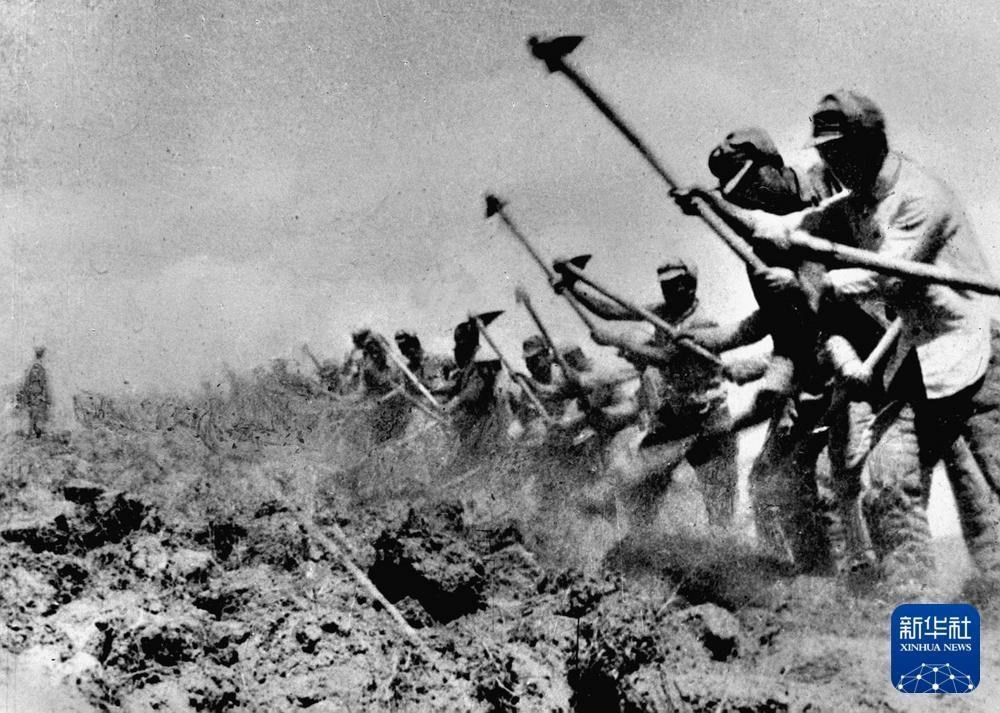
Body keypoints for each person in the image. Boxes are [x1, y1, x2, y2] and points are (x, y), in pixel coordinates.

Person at [753, 90, 1000, 589]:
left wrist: (814, 283)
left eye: (838, 151)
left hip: (975, 356)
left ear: (870, 145)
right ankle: (914, 604)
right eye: (825, 153)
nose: (831, 163)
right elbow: (784, 229)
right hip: (915, 362)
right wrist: (710, 205)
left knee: (988, 485)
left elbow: (890, 278)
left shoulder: (922, 197)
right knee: (888, 486)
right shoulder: (850, 206)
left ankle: (997, 594)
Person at [556, 258, 739, 528]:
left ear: (691, 285)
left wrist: (617, 339)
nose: (669, 291)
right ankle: (641, 542)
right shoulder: (662, 311)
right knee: (643, 487)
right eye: (665, 285)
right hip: (676, 417)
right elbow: (611, 310)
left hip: (710, 417)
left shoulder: (702, 323)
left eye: (676, 285)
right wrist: (573, 287)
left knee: (719, 502)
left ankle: (727, 546)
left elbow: (667, 357)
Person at [19, 346, 51, 439]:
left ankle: (34, 431)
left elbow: (28, 382)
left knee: (34, 414)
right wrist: (45, 395)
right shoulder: (40, 368)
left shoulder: (32, 367)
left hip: (33, 393)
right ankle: (31, 433)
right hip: (36, 393)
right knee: (35, 414)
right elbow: (42, 383)